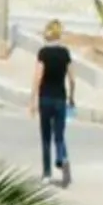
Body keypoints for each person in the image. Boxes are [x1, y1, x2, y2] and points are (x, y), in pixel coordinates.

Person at [31, 19, 74, 186]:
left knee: (46, 136)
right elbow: (72, 79)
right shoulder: (65, 53)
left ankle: (47, 173)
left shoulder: (43, 53)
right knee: (60, 135)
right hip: (60, 98)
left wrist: (32, 99)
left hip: (45, 98)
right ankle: (62, 158)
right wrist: (72, 96)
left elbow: (38, 77)